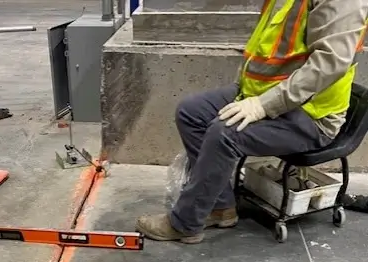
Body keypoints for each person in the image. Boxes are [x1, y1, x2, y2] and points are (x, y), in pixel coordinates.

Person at [135, 0, 368, 244]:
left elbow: (331, 62)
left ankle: (185, 223)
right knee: (192, 113)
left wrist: (263, 105)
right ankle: (220, 207)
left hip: (311, 114)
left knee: (225, 133)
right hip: (267, 93)